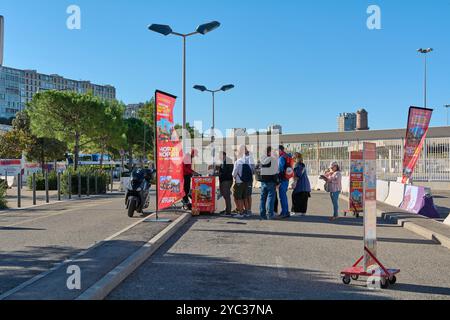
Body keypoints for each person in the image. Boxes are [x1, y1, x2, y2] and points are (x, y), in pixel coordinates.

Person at [232, 145, 253, 218]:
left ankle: (240, 213)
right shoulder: (247, 161)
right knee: (245, 197)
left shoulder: (237, 161)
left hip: (239, 182)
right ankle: (247, 212)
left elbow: (234, 173)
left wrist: (234, 176)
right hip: (246, 182)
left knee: (239, 198)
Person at [259, 146, 279, 220]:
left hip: (263, 181)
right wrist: (277, 182)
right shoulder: (272, 160)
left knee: (262, 198)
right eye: (272, 151)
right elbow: (275, 172)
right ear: (269, 152)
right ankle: (270, 214)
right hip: (271, 181)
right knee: (270, 198)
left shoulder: (262, 160)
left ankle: (262, 214)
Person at [278, 145, 291, 219]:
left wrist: (278, 180)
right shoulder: (286, 156)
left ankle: (284, 212)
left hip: (282, 179)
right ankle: (286, 211)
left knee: (282, 196)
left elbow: (280, 169)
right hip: (286, 178)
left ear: (280, 150)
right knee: (284, 196)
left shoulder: (281, 158)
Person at [244, 149, 256, 217]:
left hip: (248, 178)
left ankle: (249, 209)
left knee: (248, 194)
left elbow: (253, 169)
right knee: (244, 195)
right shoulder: (241, 157)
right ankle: (245, 209)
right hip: (243, 179)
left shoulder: (250, 157)